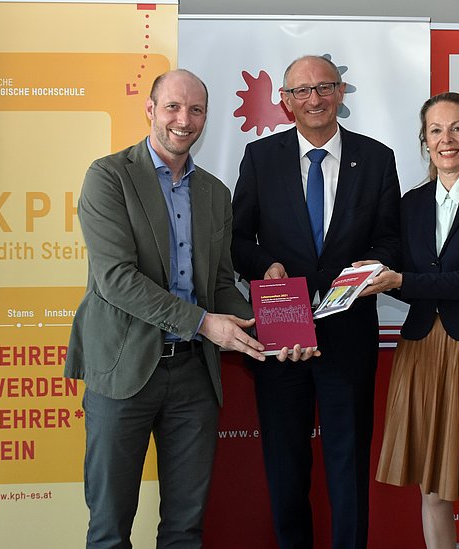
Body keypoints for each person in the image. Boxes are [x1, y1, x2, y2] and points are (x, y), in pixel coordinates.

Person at [65, 69, 311, 549]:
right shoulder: (109, 176)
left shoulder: (215, 194)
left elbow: (219, 284)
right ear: (151, 110)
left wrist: (275, 329)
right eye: (174, 107)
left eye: (196, 110)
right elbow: (116, 280)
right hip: (123, 370)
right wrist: (202, 323)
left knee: (184, 529)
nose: (184, 119)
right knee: (109, 528)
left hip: (195, 377)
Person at [231, 55, 401, 548]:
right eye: (301, 91)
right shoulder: (260, 159)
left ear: (341, 92)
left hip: (348, 336)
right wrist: (265, 267)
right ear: (284, 102)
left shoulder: (376, 158)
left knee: (348, 467)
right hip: (281, 333)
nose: (314, 99)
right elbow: (238, 238)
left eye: (324, 87)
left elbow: (390, 240)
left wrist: (365, 269)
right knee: (286, 467)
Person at [360, 92, 459, 549]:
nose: (446, 139)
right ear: (424, 141)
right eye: (435, 130)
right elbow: (389, 256)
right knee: (432, 490)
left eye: (456, 128)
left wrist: (399, 282)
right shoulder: (410, 203)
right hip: (421, 348)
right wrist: (363, 273)